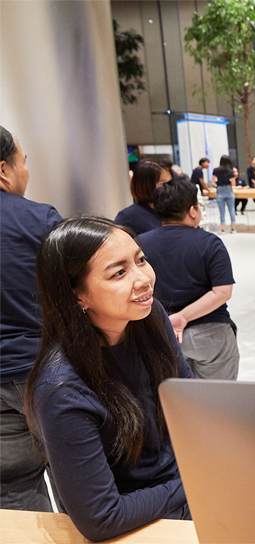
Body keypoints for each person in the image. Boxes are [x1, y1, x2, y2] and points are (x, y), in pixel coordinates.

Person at [25, 217, 194, 542]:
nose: (144, 278)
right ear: (77, 296)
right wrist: (197, 482)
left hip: (184, 498)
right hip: (133, 526)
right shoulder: (62, 389)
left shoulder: (149, 317)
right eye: (119, 272)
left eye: (141, 260)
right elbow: (101, 517)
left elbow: (188, 399)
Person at [0, 126, 63, 512]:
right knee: (77, 473)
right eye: (24, 162)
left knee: (13, 488)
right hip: (41, 370)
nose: (27, 171)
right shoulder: (39, 219)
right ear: (3, 170)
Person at [139, 179, 239, 380]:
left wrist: (171, 319)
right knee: (218, 401)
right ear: (192, 211)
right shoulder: (210, 243)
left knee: (175, 402)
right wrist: (183, 316)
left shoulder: (139, 244)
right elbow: (222, 292)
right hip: (210, 333)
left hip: (162, 333)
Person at [114, 160, 173, 235]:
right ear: (145, 185)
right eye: (163, 183)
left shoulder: (175, 210)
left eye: (171, 182)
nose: (170, 187)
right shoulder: (128, 217)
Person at [210, 155, 237, 233]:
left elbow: (212, 182)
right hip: (229, 190)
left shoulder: (216, 170)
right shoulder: (230, 171)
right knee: (232, 210)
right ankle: (233, 229)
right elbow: (233, 183)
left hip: (220, 190)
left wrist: (217, 183)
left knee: (222, 211)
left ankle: (223, 229)